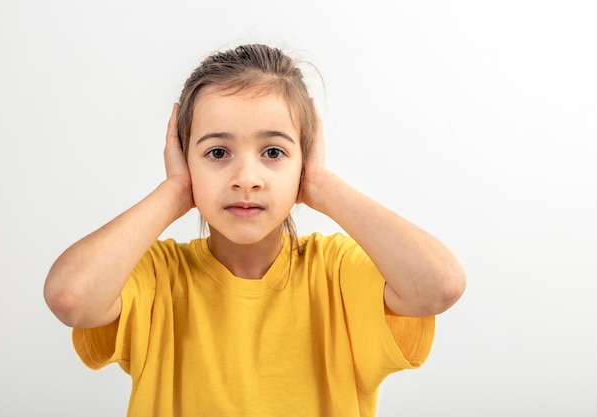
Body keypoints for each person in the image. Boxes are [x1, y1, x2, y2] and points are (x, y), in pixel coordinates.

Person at [44, 44, 466, 417]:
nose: (247, 177)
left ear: (304, 159)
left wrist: (320, 184)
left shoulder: (336, 272)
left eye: (273, 152)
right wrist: (174, 192)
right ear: (183, 157)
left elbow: (440, 284)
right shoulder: (156, 276)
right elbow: (71, 297)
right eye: (217, 152)